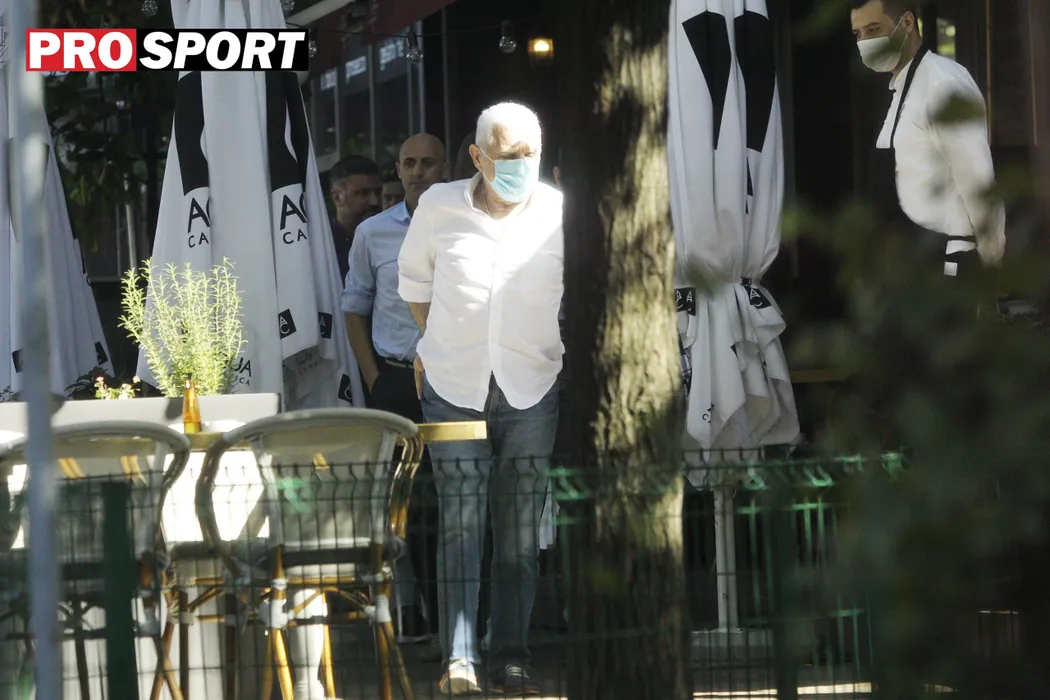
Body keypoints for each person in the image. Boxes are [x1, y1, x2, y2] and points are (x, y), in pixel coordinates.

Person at [398, 102, 561, 696]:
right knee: (461, 528)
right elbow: (415, 285)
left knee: (518, 536)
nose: (522, 164)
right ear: (476, 156)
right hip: (452, 387)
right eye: (508, 155)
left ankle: (511, 654)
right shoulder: (439, 206)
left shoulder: (559, 211)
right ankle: (459, 660)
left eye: (530, 154)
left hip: (531, 386)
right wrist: (436, 345)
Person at [342, 133, 450, 655]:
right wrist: (373, 377)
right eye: (409, 163)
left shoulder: (469, 225)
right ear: (399, 170)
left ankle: (455, 619)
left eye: (429, 163)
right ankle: (412, 607)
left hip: (455, 381)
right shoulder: (373, 233)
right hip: (395, 380)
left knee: (456, 499)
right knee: (403, 503)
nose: (418, 172)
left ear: (446, 169)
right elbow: (354, 306)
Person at [850, 0, 1005, 283]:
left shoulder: (943, 83)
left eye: (874, 30)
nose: (865, 42)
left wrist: (993, 263)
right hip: (907, 267)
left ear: (907, 22)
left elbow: (978, 181)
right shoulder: (901, 91)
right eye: (858, 34)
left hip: (947, 263)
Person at [329, 155, 382, 281]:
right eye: (363, 193)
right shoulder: (323, 247)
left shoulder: (390, 239)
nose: (374, 201)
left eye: (378, 192)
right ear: (337, 197)